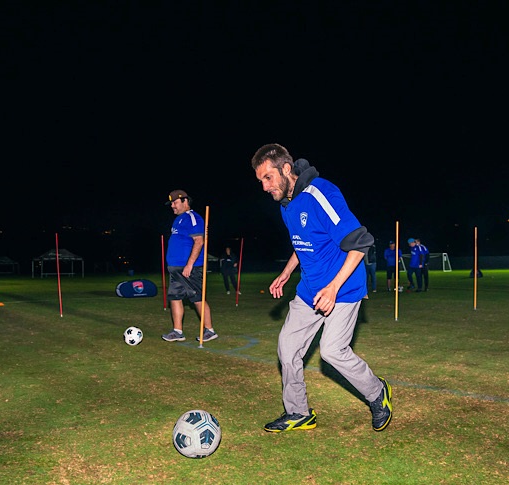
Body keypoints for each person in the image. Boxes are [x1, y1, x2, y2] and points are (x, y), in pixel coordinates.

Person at [251, 143, 392, 433]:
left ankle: (377, 393)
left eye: (268, 178)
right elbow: (302, 243)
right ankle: (299, 413)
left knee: (332, 351)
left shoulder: (320, 193)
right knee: (287, 348)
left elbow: (360, 243)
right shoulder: (286, 204)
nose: (264, 187)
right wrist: (286, 273)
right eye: (260, 181)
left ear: (286, 169)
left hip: (343, 288)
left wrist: (333, 288)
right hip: (309, 289)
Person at [161, 189, 219, 343]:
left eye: (175, 202)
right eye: (171, 203)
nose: (172, 205)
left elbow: (199, 241)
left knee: (197, 298)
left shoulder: (193, 218)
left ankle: (209, 330)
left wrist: (189, 264)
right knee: (175, 297)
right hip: (175, 268)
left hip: (189, 268)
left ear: (184, 201)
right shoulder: (178, 219)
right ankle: (177, 331)